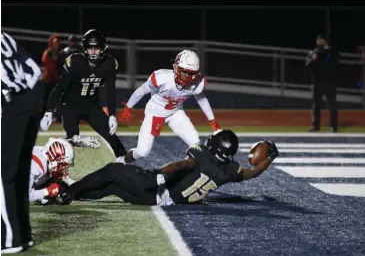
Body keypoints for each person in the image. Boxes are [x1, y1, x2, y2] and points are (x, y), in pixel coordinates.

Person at [58, 129, 279, 206]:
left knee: (112, 171)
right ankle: (71, 196)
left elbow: (182, 165)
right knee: (113, 188)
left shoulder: (200, 155)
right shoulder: (229, 171)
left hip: (157, 187)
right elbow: (253, 173)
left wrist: (158, 173)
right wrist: (269, 157)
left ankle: (70, 189)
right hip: (164, 202)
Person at [39, 29, 127, 162]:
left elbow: (110, 91)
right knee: (72, 140)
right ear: (84, 48)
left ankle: (124, 163)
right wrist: (48, 111)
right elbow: (60, 88)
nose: (93, 52)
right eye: (89, 48)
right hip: (70, 105)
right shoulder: (75, 62)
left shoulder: (109, 64)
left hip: (92, 105)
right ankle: (53, 160)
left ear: (103, 48)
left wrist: (112, 115)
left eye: (96, 48)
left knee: (112, 137)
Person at [119, 50, 221, 164]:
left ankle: (186, 172)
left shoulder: (196, 82)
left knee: (196, 144)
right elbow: (141, 91)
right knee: (143, 151)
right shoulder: (162, 78)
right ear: (176, 68)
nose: (187, 76)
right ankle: (122, 160)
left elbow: (201, 99)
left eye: (191, 73)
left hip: (175, 113)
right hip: (155, 113)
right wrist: (128, 107)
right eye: (184, 72)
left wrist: (212, 121)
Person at [1, 32, 42, 254]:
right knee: (18, 173)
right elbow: (36, 72)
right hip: (30, 102)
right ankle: (22, 235)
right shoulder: (5, 37)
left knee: (3, 175)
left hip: (9, 103)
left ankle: (8, 240)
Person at [306, 34, 340, 133]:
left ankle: (334, 126)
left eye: (322, 40)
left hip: (330, 82)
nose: (320, 42)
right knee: (316, 105)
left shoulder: (331, 52)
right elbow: (308, 66)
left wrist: (328, 51)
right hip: (318, 82)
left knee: (332, 105)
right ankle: (316, 126)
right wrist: (313, 60)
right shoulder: (313, 52)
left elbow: (336, 62)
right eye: (319, 40)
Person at [29, 137, 76, 205]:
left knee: (59, 186)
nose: (63, 168)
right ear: (53, 157)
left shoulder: (42, 152)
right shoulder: (35, 168)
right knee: (47, 198)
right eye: (62, 164)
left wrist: (72, 141)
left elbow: (53, 143)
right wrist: (47, 191)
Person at [40, 34, 61, 120]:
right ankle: (42, 116)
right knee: (45, 99)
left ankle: (58, 117)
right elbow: (46, 63)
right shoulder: (48, 53)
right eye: (54, 43)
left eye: (57, 43)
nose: (56, 45)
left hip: (56, 80)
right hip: (48, 79)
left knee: (58, 99)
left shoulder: (59, 54)